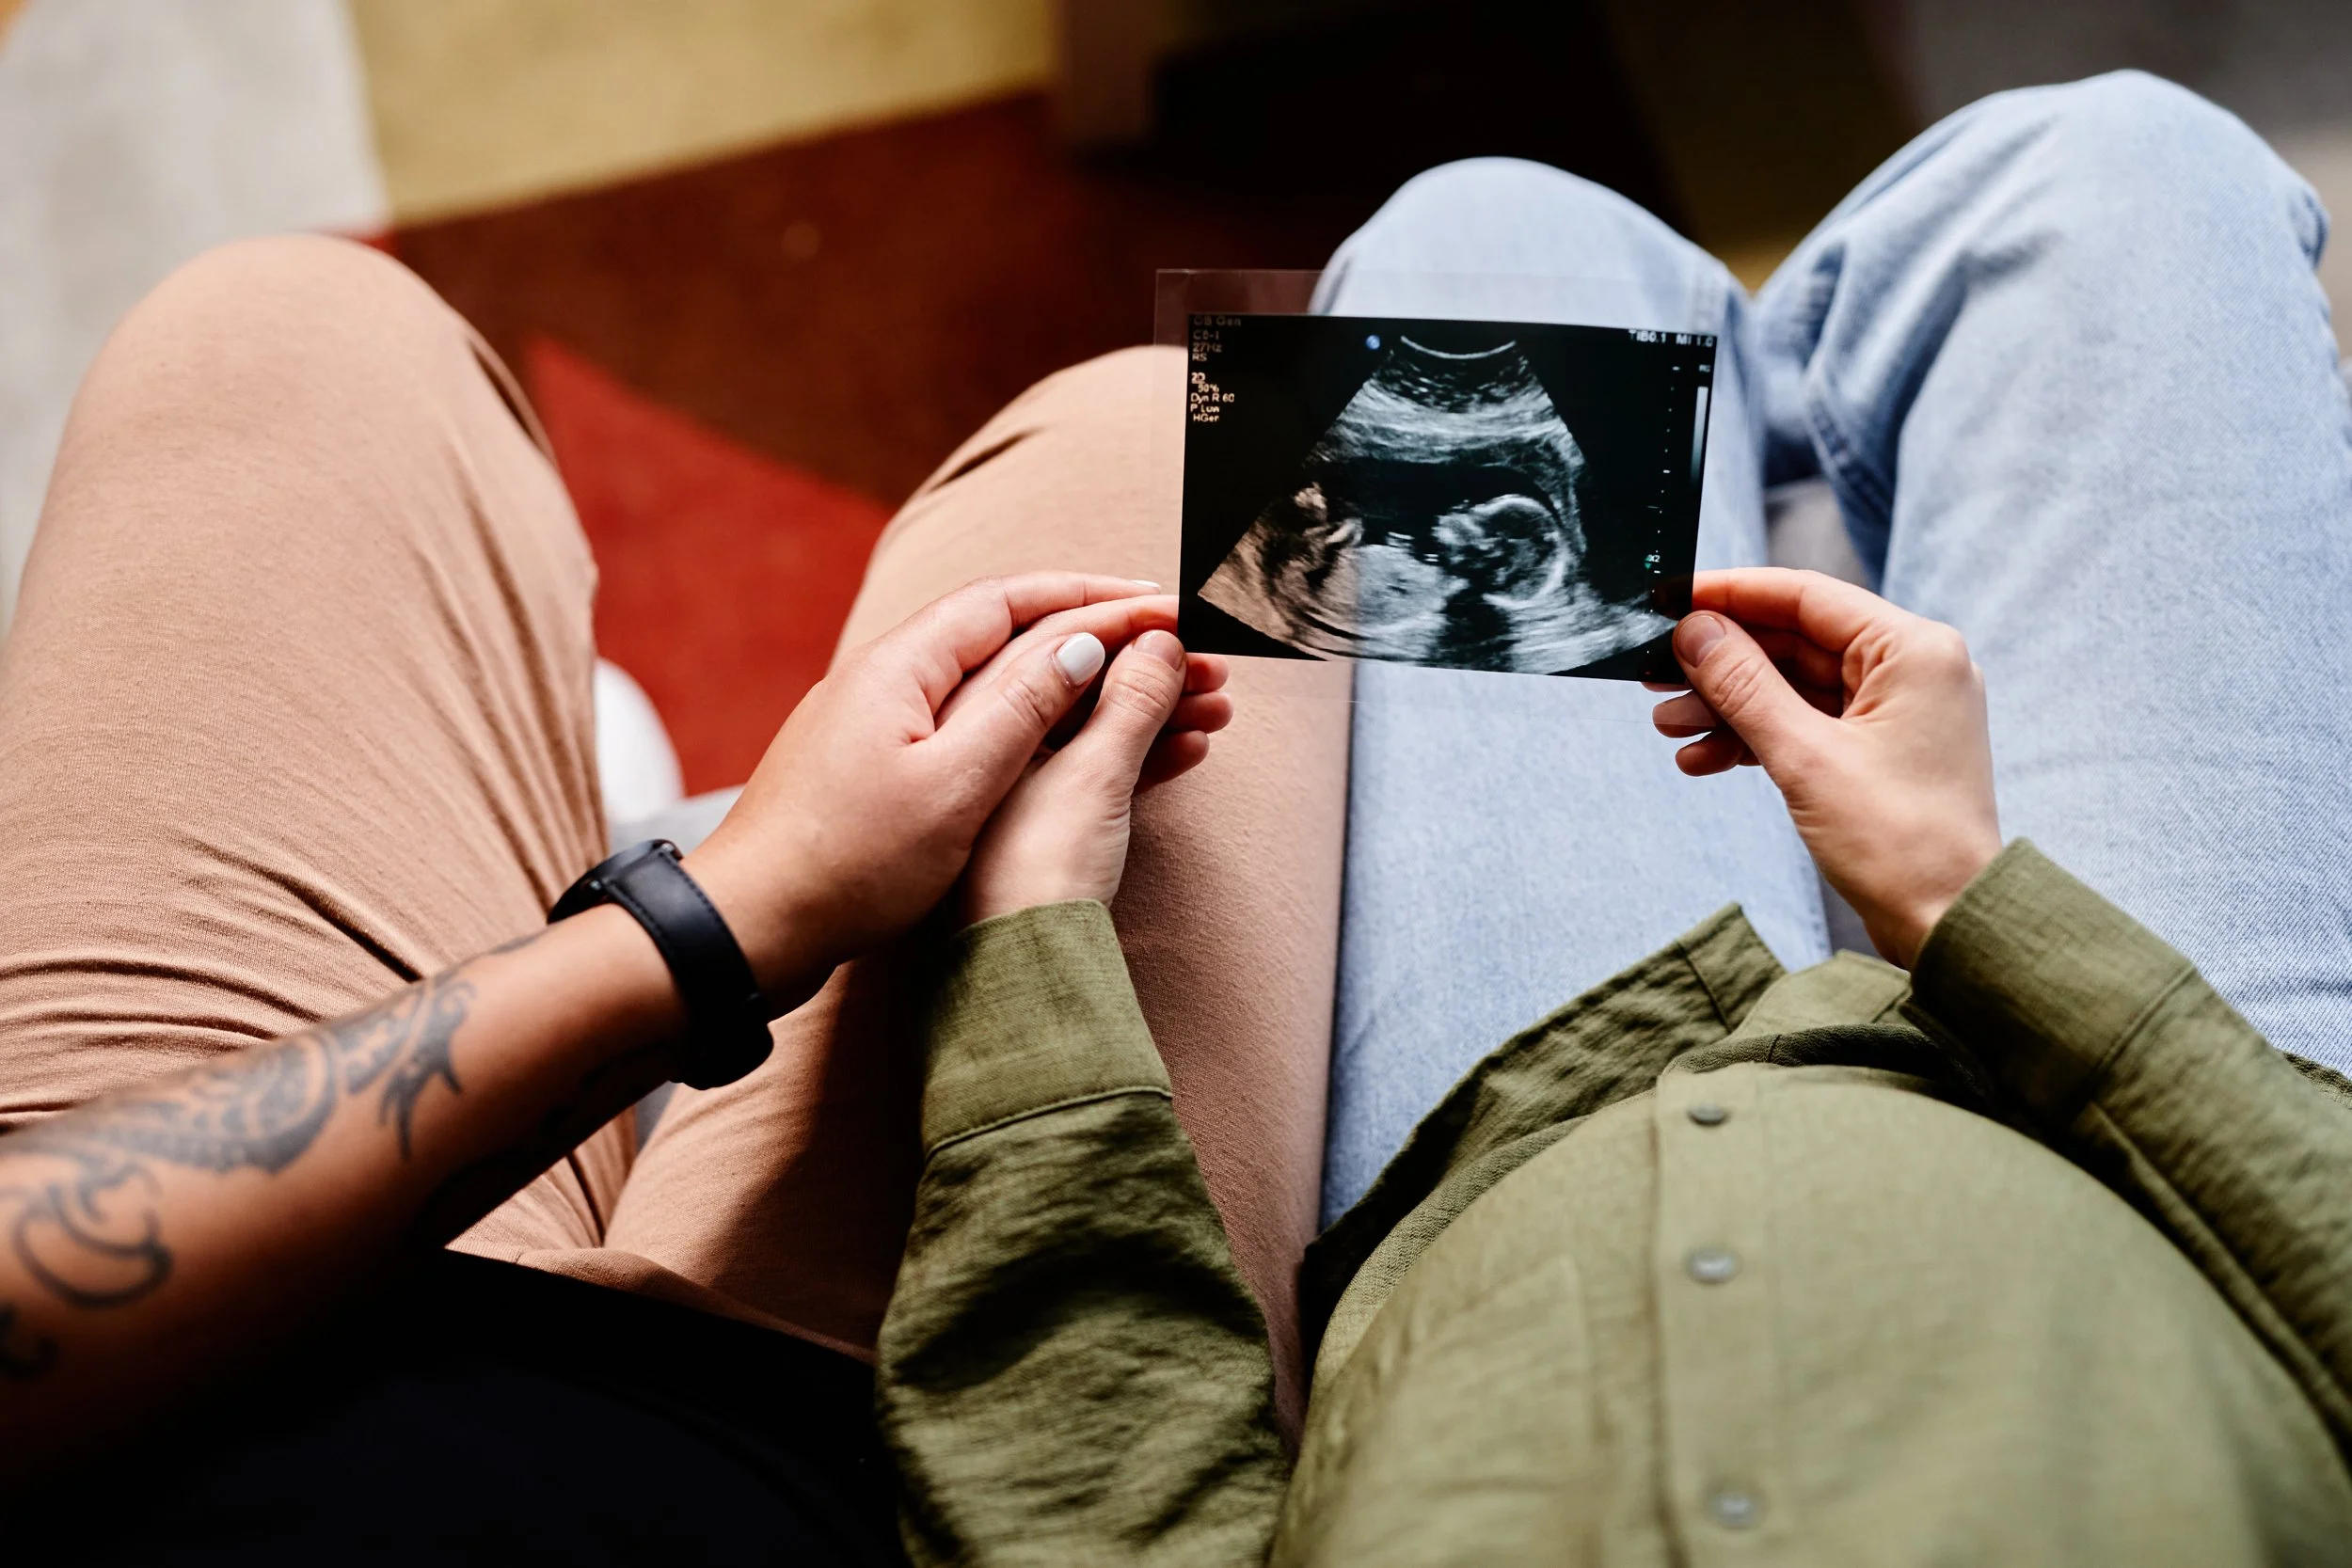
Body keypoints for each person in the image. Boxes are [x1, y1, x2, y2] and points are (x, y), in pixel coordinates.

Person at [0, 64, 2347, 1565]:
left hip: (1511, 1147)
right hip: (2182, 1153)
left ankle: (614, 819)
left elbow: (1105, 1492)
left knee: (1440, 279)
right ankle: (1808, 474)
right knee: (2087, 178)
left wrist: (831, 924)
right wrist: (1977, 912)